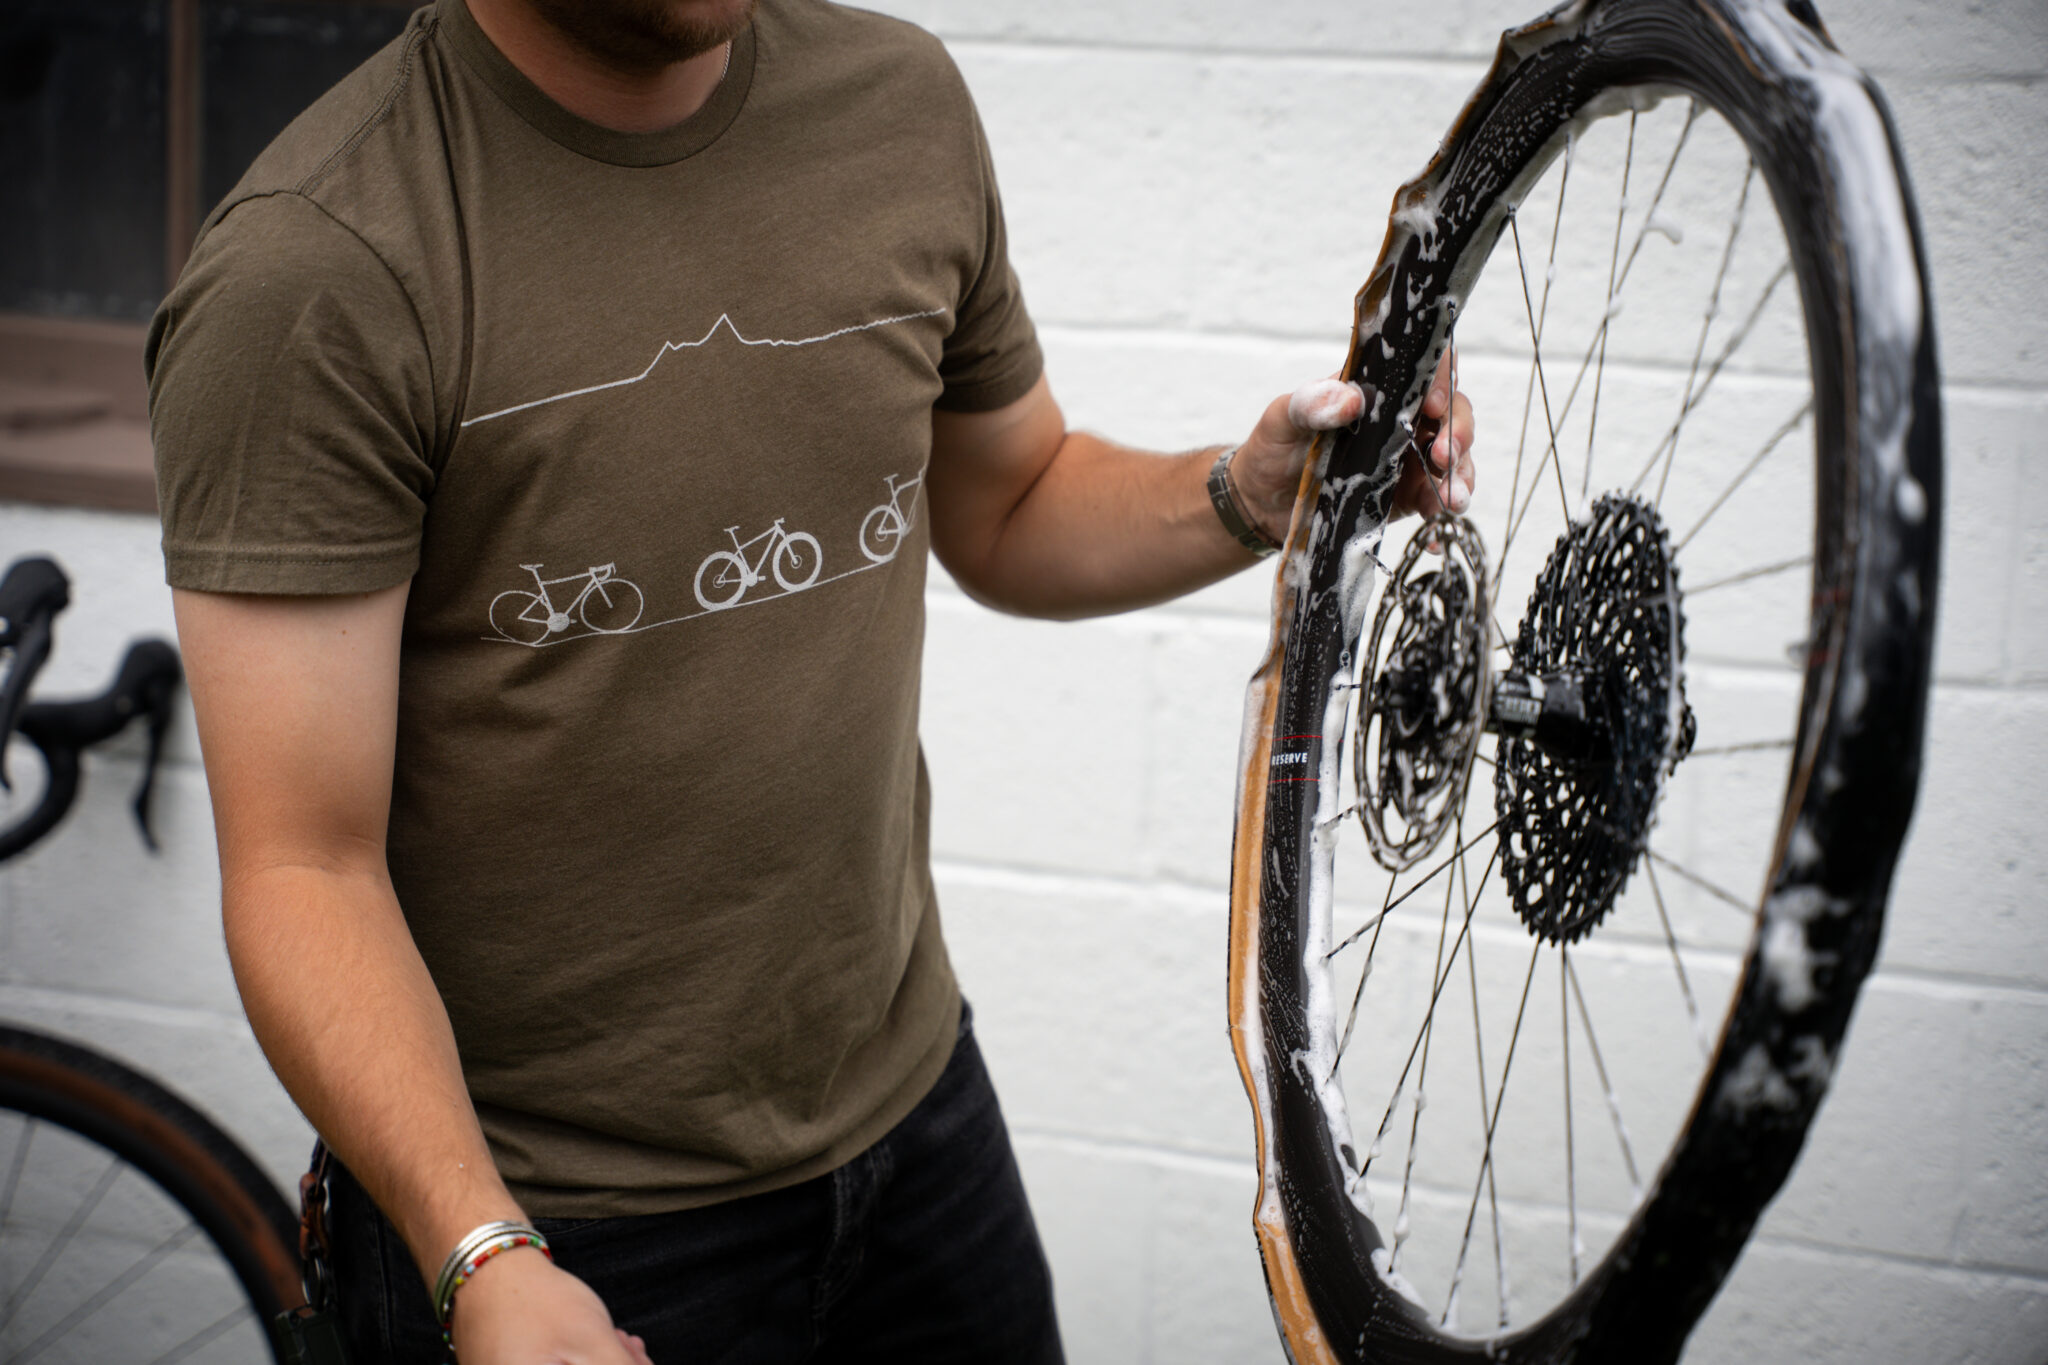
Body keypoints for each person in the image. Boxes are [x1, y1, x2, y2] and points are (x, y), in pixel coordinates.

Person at [147, 0, 1476, 1360]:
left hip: (917, 1127)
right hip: (556, 1228)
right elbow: (304, 869)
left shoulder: (900, 106)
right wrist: (478, 1248)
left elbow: (1010, 501)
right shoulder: (315, 265)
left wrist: (1253, 494)